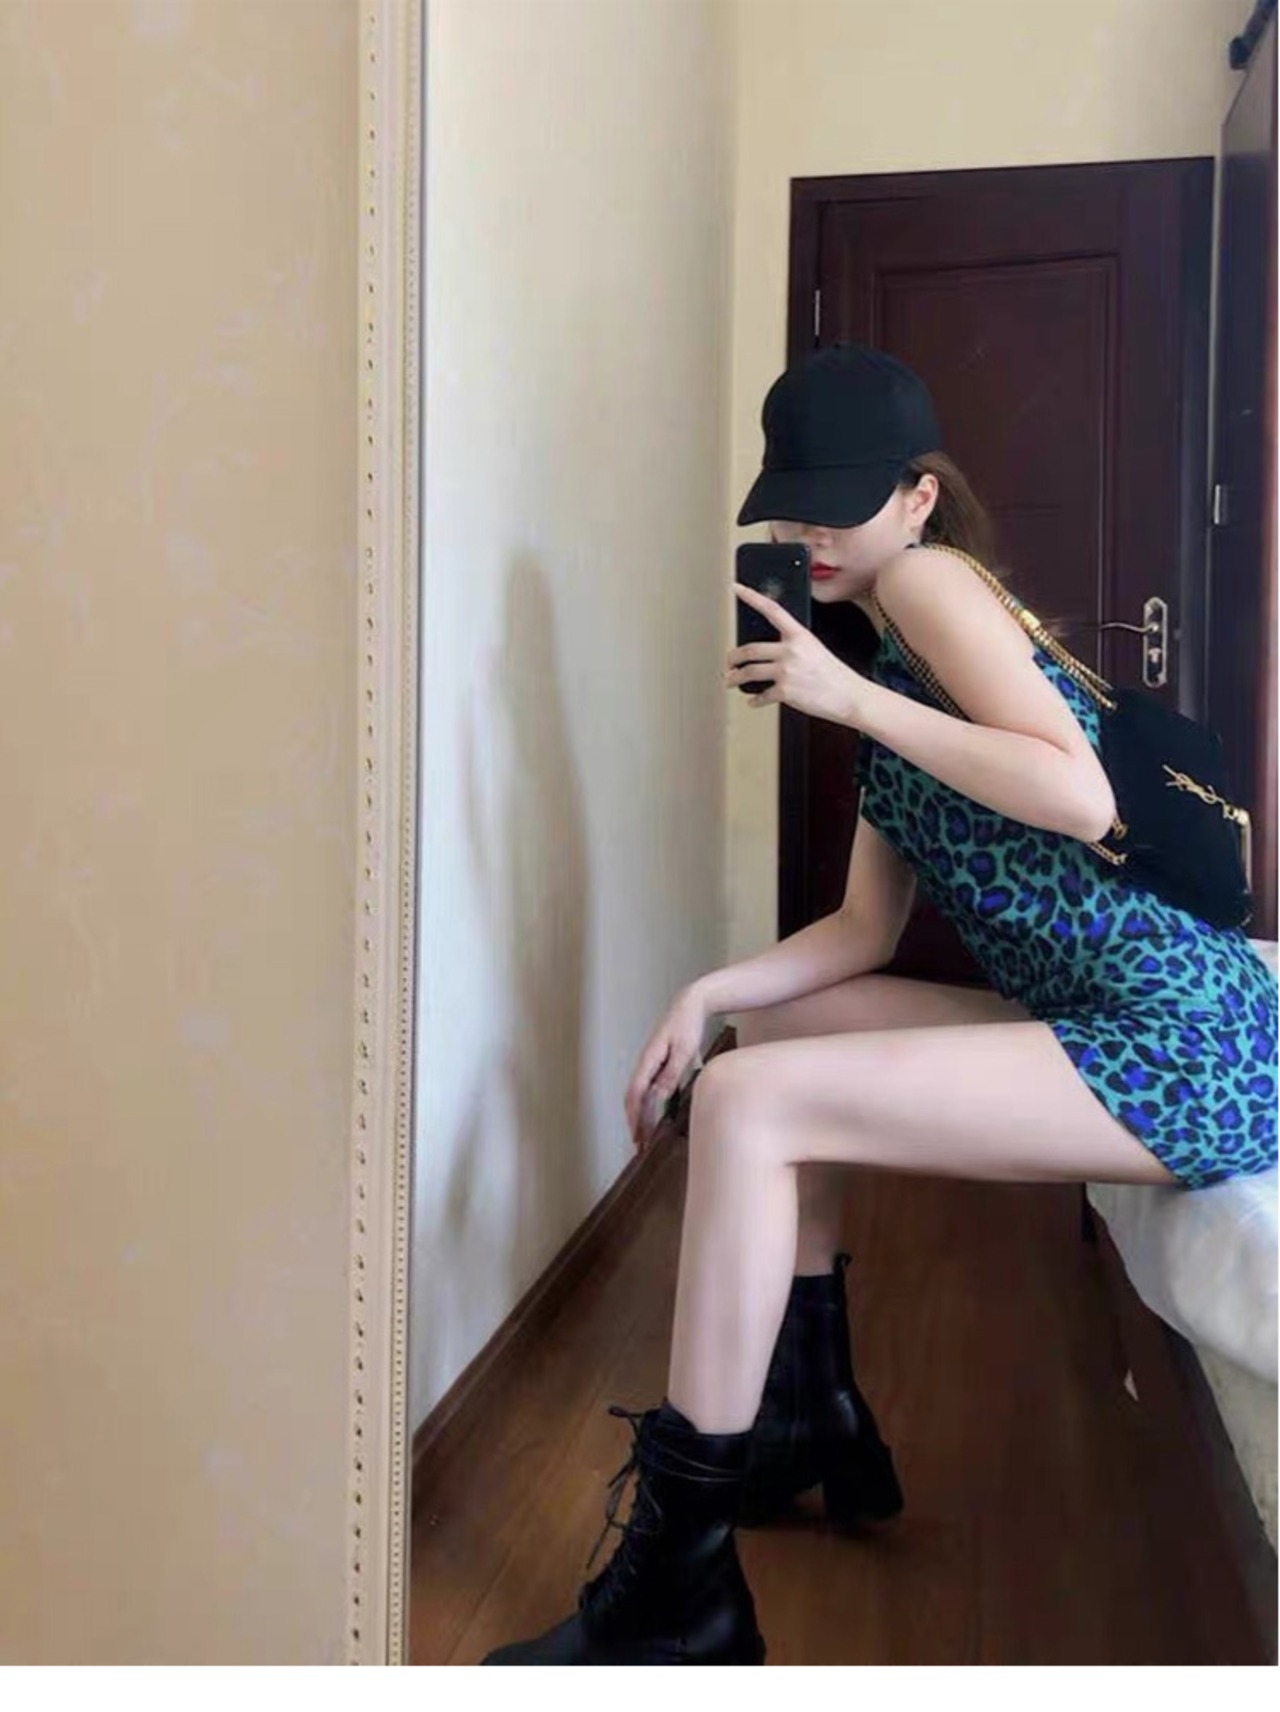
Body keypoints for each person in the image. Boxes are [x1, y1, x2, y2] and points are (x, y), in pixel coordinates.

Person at [481, 344, 1279, 1666]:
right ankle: (809, 1409)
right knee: (768, 1037)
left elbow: (1080, 796)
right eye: (790, 505)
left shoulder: (928, 582)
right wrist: (706, 990)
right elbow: (864, 932)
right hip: (1113, 1020)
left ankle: (679, 1592)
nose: (808, 534)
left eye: (835, 503)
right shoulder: (891, 657)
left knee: (748, 1104)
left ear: (917, 498)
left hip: (1185, 1043)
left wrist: (848, 699)